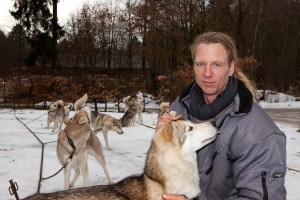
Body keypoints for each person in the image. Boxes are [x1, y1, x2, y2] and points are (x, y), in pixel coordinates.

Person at [161, 32, 286, 200]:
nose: (207, 73)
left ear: (231, 68)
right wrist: (162, 140)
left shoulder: (259, 132)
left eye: (217, 65)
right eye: (200, 64)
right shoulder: (179, 107)